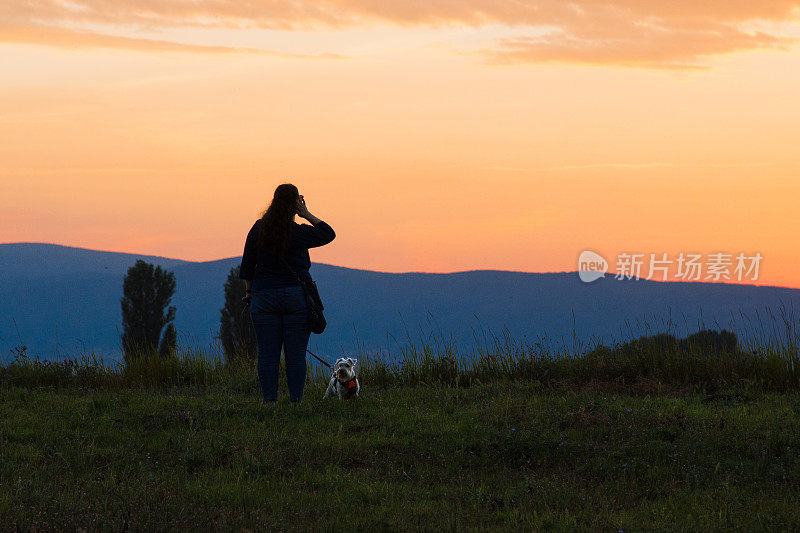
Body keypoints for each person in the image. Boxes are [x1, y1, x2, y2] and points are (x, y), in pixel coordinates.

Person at [238, 183, 336, 404]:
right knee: (295, 354)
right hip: (295, 297)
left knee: (267, 354)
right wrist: (306, 213)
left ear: (273, 202)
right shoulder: (298, 233)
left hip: (263, 297)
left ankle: (269, 402)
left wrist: (249, 293)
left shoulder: (258, 228)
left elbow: (246, 267)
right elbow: (328, 233)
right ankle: (295, 403)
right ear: (295, 204)